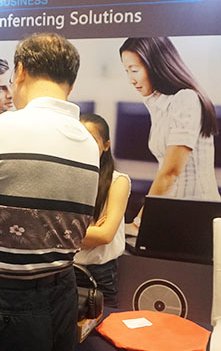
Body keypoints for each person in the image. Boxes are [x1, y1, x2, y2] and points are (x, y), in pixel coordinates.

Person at [0, 33, 100, 351]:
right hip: (63, 296)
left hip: (0, 301)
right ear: (70, 84)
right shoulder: (88, 143)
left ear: (21, 71)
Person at [119, 37, 220, 235]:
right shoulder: (158, 104)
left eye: (134, 70)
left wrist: (140, 223)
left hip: (195, 215)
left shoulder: (185, 98)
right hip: (172, 211)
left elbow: (170, 173)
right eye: (126, 71)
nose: (131, 79)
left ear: (155, 65)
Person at [74, 114, 130, 308]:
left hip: (100, 274)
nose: (83, 146)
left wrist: (67, 233)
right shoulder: (66, 177)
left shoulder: (117, 181)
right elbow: (48, 228)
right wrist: (91, 233)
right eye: (79, 139)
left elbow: (105, 235)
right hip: (63, 269)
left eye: (91, 140)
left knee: (102, 323)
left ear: (106, 145)